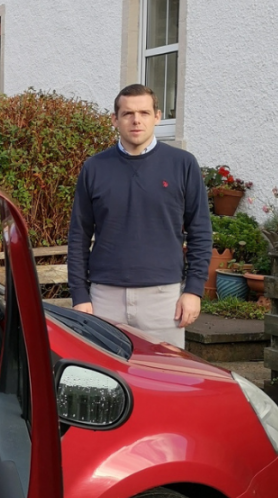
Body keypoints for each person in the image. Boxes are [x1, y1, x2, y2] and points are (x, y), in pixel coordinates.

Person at [67, 84, 212, 348]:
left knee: (165, 381)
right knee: (104, 382)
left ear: (157, 116)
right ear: (115, 119)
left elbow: (200, 231)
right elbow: (79, 235)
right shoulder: (94, 168)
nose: (136, 120)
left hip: (164, 300)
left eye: (144, 113)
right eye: (127, 113)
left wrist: (193, 290)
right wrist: (79, 295)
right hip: (104, 299)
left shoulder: (182, 164)